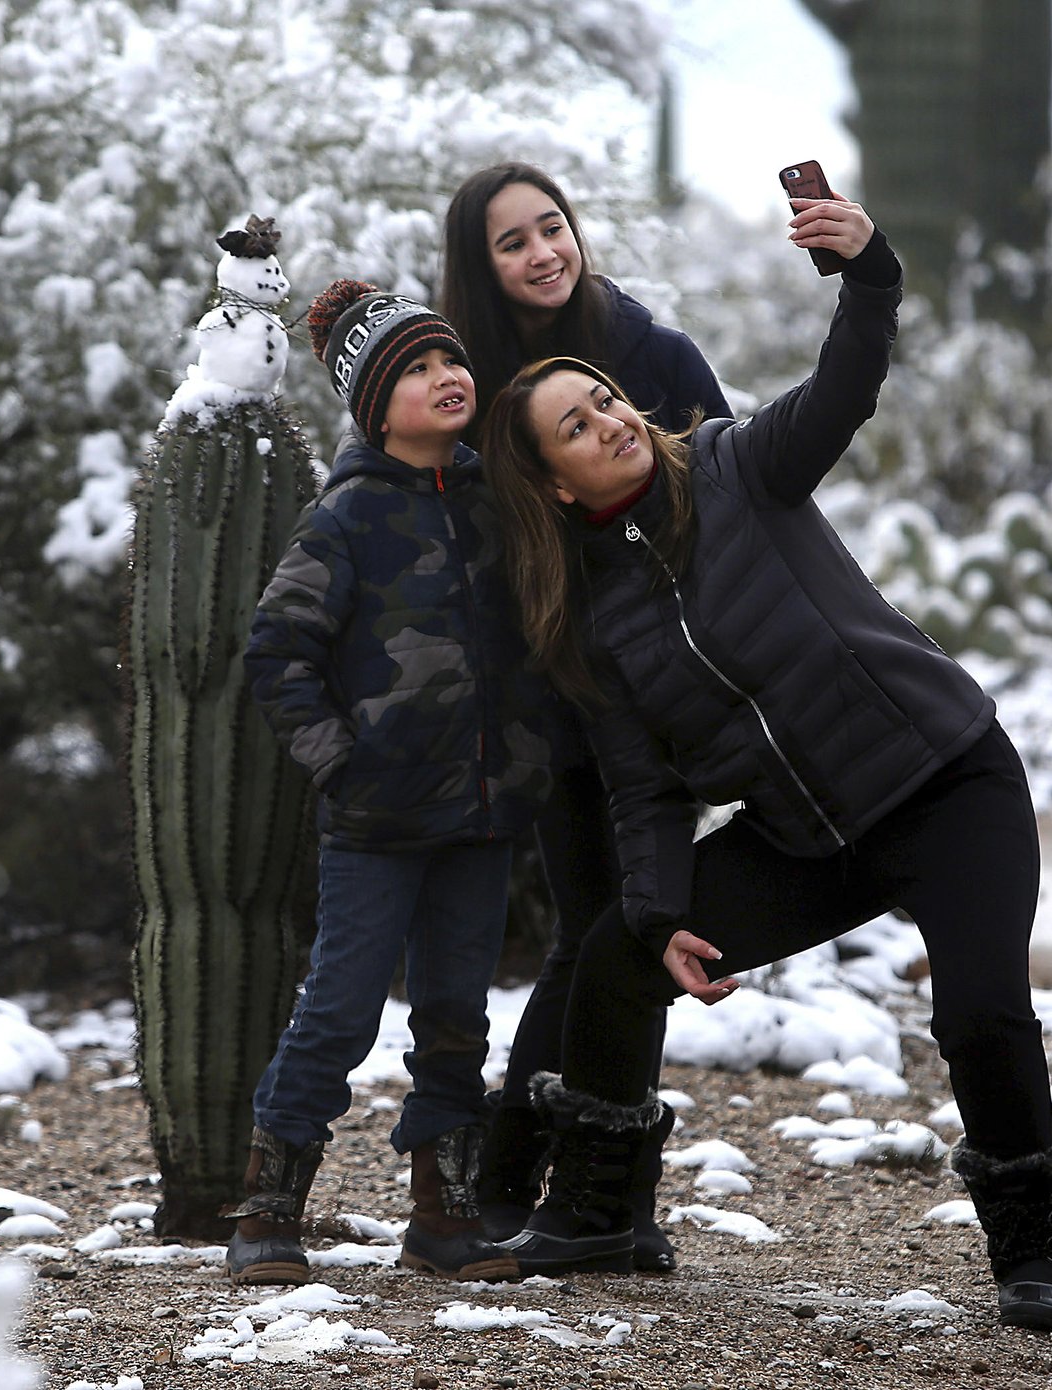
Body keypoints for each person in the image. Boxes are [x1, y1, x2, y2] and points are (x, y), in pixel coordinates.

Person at [476, 194, 1052, 1333]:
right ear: (553, 483)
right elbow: (643, 787)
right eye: (574, 425)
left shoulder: (736, 466)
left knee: (981, 1014)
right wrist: (660, 919)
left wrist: (868, 274)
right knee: (614, 955)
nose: (606, 421)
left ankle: (1028, 1252)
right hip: (812, 839)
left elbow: (841, 387)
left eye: (601, 399)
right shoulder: (592, 625)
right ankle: (604, 1210)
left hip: (946, 780)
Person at [439, 161, 732, 1272]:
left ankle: (561, 1184)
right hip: (550, 703)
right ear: (483, 266)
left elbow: (733, 480)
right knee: (600, 930)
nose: (539, 253)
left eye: (549, 228)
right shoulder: (467, 381)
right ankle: (536, 1179)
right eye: (510, 242)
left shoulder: (650, 353)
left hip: (662, 687)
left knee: (630, 927)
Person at [233, 280, 555, 1287]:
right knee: (337, 1009)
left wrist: (533, 753)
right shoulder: (347, 515)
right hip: (375, 822)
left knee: (456, 1012)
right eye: (413, 369)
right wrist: (339, 756)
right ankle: (269, 1205)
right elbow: (275, 647)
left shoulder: (497, 500)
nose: (442, 377)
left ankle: (443, 1214)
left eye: (446, 359)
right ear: (374, 406)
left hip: (482, 814)